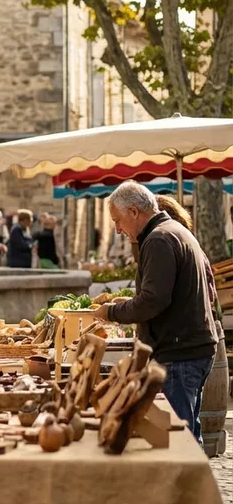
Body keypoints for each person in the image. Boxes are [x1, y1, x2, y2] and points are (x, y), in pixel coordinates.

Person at [96, 182, 218, 445]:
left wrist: (111, 312)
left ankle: (187, 473)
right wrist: (131, 301)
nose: (117, 229)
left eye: (117, 221)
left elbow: (153, 301)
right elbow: (164, 293)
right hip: (190, 348)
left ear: (134, 212)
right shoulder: (173, 231)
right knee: (187, 435)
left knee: (178, 441)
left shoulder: (158, 239)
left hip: (178, 352)